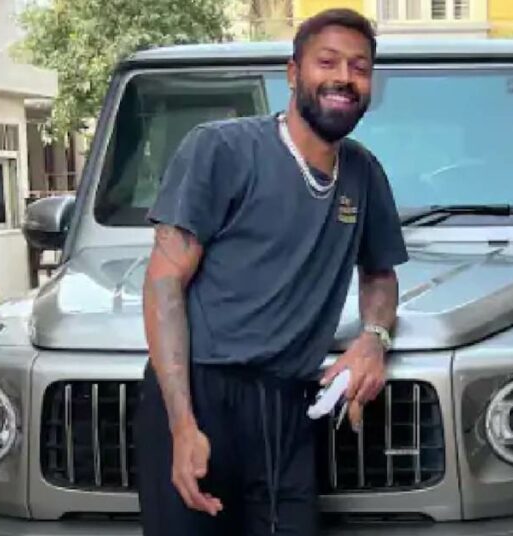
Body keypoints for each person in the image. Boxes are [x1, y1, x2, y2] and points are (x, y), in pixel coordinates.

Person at [136, 8, 408, 536]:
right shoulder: (221, 149)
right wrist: (182, 425)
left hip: (291, 405)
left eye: (359, 67)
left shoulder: (364, 174)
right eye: (327, 62)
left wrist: (374, 338)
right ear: (292, 73)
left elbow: (379, 274)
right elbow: (165, 281)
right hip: (204, 392)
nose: (344, 78)